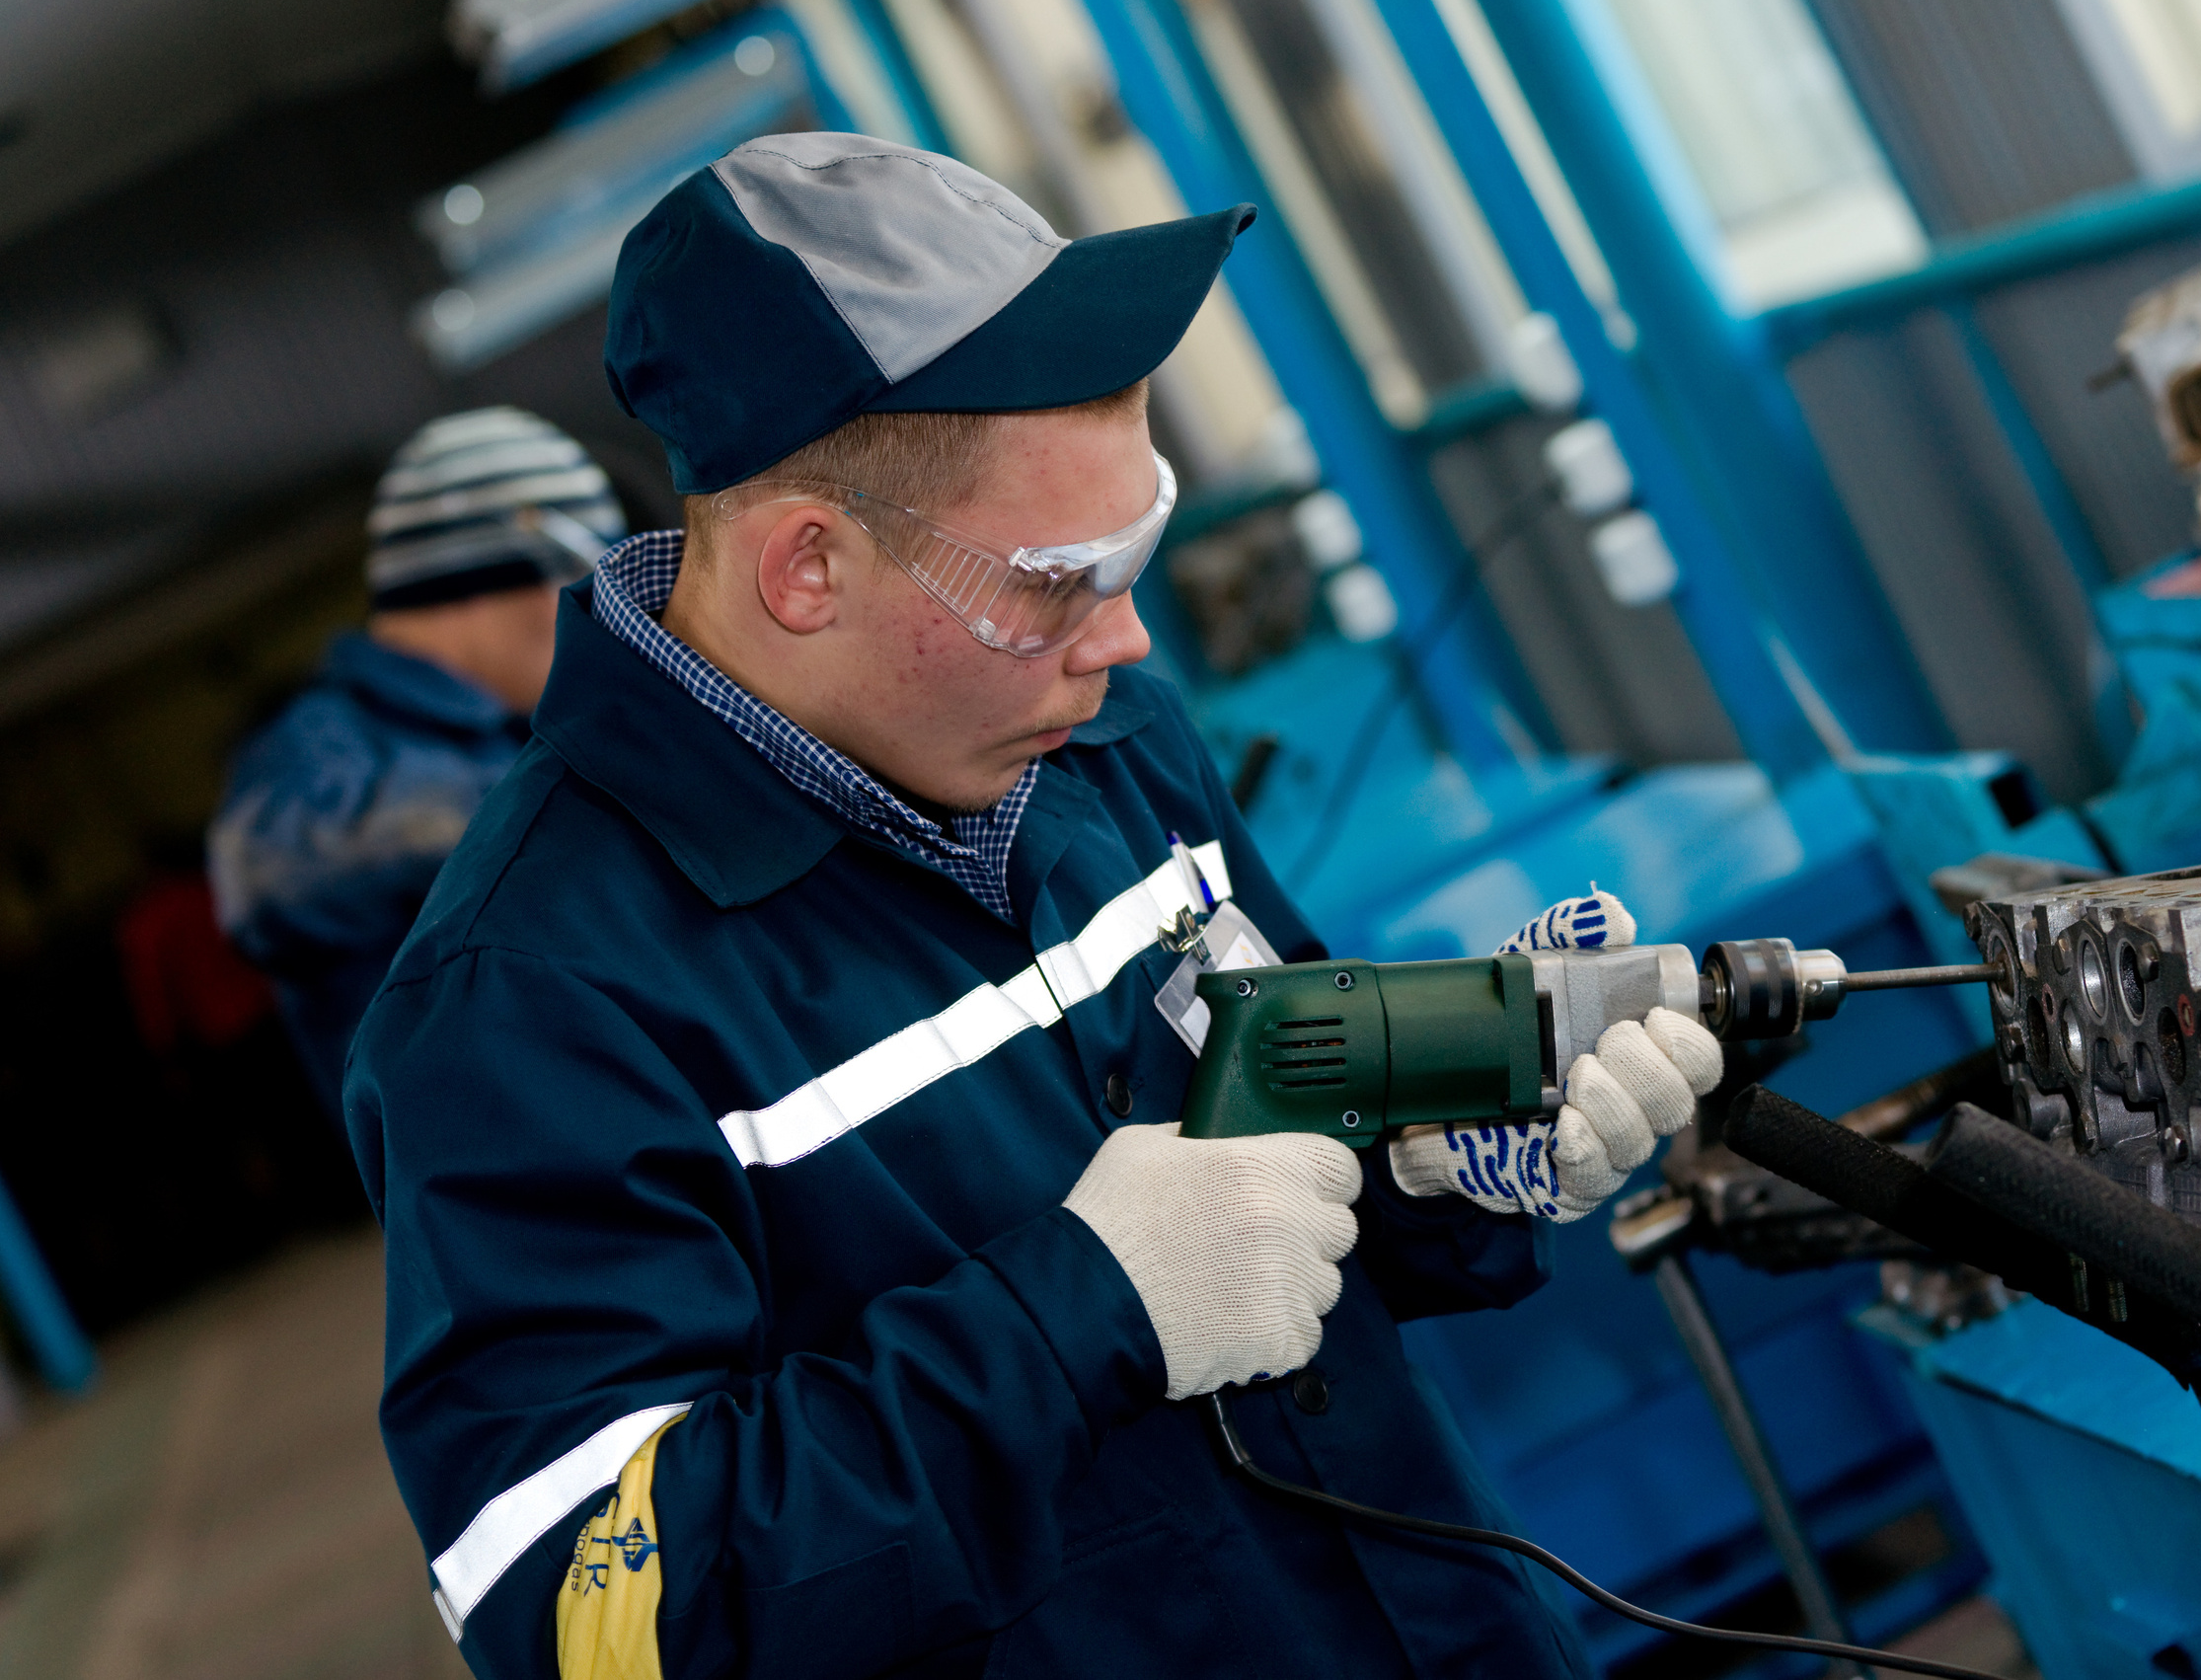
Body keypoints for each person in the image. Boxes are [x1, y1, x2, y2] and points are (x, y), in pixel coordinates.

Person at [346, 133, 1721, 1679]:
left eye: (1141, 548)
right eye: (1062, 577)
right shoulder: (525, 1010)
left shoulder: (1103, 745)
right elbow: (593, 1620)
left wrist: (1440, 1149)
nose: (1125, 636)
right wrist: (1087, 1309)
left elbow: (1274, 1137)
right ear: (809, 566)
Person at [208, 409, 624, 1129]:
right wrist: (569, 806)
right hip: (504, 1196)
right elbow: (261, 868)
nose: (598, 623)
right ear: (491, 576)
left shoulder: (507, 737)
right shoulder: (325, 739)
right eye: (583, 588)